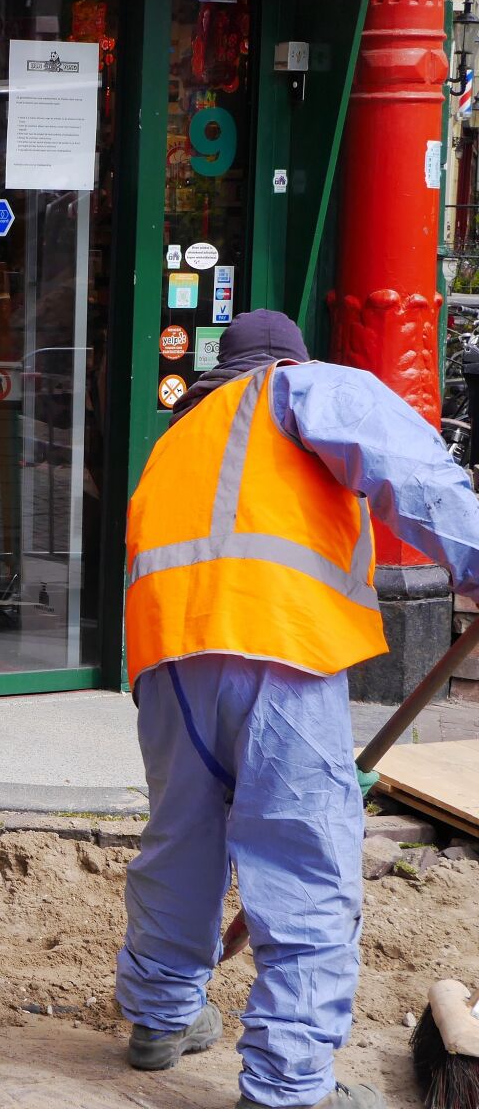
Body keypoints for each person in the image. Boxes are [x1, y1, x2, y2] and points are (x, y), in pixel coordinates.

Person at [117, 309, 479, 1109]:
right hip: (277, 645)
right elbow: (408, 469)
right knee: (305, 863)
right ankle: (286, 1087)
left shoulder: (179, 437)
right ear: (284, 360)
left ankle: (161, 1017)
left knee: (181, 845)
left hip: (169, 662)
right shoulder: (301, 388)